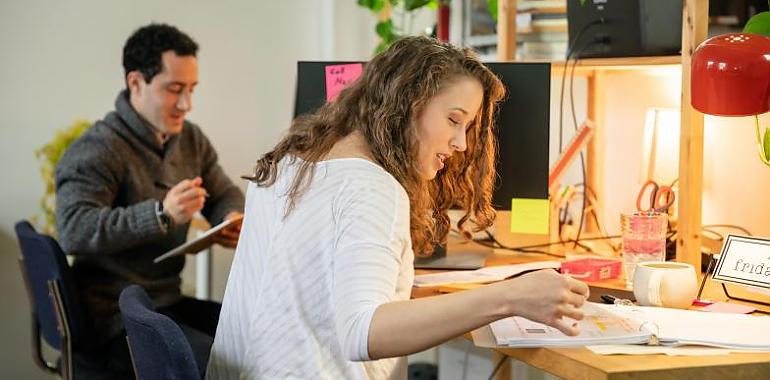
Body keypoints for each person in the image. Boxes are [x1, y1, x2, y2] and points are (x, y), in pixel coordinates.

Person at [206, 36, 589, 379]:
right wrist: (511, 297)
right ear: (408, 102)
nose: (462, 144)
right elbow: (364, 331)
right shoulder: (371, 185)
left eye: (468, 128)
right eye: (454, 120)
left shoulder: (289, 162)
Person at [55, 23, 245, 379]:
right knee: (222, 365)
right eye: (174, 89)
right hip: (112, 315)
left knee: (253, 335)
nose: (187, 104)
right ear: (136, 84)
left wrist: (229, 216)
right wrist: (161, 214)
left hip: (163, 301)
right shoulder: (98, 148)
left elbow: (224, 191)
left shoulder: (190, 138)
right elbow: (73, 228)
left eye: (191, 89)